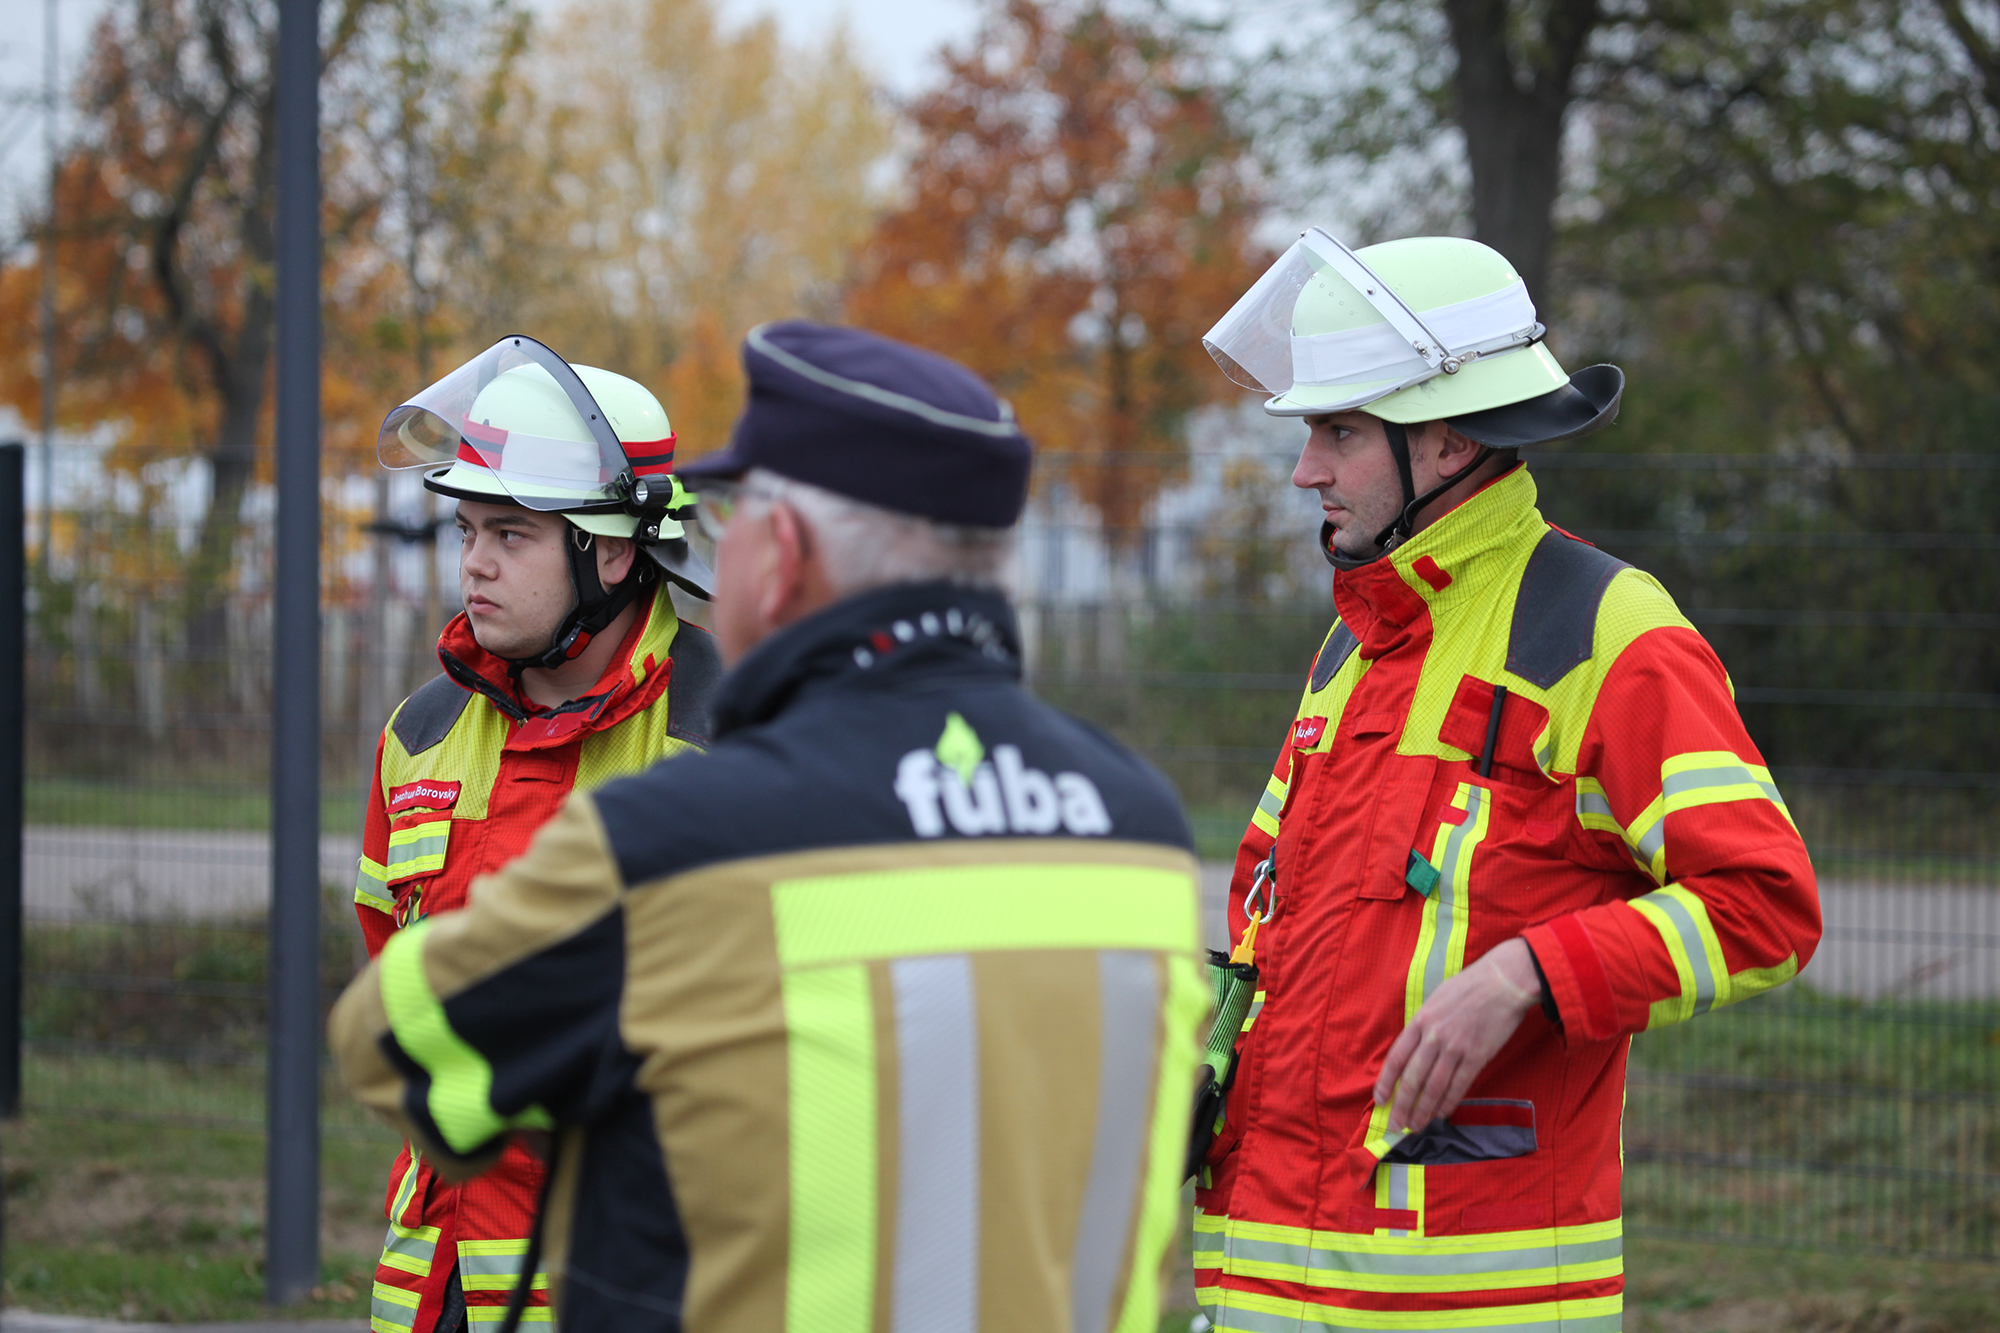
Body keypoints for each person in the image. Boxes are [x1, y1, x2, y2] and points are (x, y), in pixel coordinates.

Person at [332, 320, 1208, 1333]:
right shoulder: (1139, 825)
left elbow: (394, 1039)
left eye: (729, 519)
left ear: (781, 554)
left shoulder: (688, 829)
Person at [1189, 232, 1821, 1331]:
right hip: (1263, 1276)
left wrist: (1530, 972)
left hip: (1472, 1296)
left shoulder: (1606, 631)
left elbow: (1764, 905)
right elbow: (1265, 919)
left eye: (1339, 432)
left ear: (1446, 440)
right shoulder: (1353, 642)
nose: (1305, 470)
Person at [354, 335, 721, 1333]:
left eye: (511, 533)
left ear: (612, 550)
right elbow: (391, 993)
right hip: (436, 1289)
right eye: (467, 528)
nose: (474, 562)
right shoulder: (419, 737)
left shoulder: (728, 737)